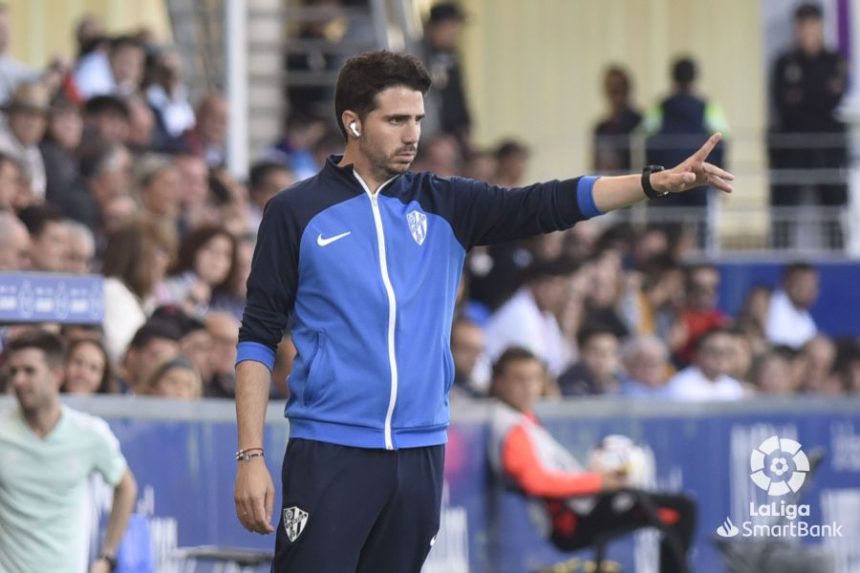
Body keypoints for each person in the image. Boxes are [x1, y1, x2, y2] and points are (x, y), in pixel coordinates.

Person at [233, 50, 731, 572]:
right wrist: (250, 456)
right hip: (329, 449)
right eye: (396, 120)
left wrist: (652, 183)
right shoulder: (295, 211)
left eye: (418, 120)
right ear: (352, 123)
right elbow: (257, 337)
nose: (412, 135)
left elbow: (546, 203)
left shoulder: (447, 203)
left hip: (420, 452)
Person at [488, 347, 696, 573]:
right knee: (681, 509)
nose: (529, 387)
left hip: (580, 508)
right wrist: (600, 482)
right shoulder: (511, 427)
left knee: (678, 510)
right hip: (571, 522)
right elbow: (535, 482)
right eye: (519, 379)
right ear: (499, 382)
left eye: (534, 379)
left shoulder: (522, 418)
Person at [0, 329, 137, 573]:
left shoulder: (90, 433)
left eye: (29, 371)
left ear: (57, 375)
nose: (19, 381)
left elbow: (125, 486)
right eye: (13, 372)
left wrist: (107, 556)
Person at [769, 3, 847, 249]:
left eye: (811, 25)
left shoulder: (833, 60)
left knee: (833, 208)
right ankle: (780, 253)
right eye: (801, 26)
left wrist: (803, 96)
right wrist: (816, 96)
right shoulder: (784, 62)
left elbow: (833, 101)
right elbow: (784, 105)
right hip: (792, 148)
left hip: (826, 148)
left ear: (820, 26)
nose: (806, 31)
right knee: (784, 208)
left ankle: (838, 254)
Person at [593, 66, 642, 173]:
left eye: (619, 89)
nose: (616, 96)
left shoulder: (640, 122)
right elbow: (598, 168)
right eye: (613, 90)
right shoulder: (602, 128)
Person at [764, 261, 819, 350]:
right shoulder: (769, 305)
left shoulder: (806, 321)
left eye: (811, 286)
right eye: (802, 284)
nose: (808, 291)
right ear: (786, 282)